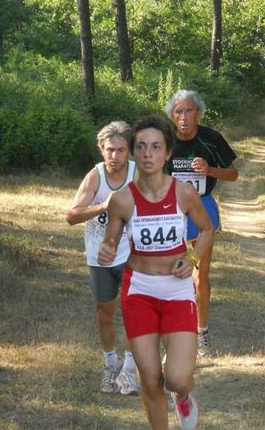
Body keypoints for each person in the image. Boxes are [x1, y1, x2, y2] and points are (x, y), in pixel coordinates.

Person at [98, 115, 214, 430]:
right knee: (149, 379)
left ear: (168, 152)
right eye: (142, 147)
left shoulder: (184, 193)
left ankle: (184, 396)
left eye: (156, 147)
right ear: (134, 153)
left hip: (177, 291)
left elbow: (206, 230)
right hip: (140, 293)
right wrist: (107, 250)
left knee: (176, 378)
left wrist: (191, 258)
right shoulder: (121, 200)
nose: (148, 154)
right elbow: (110, 241)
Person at [66, 121, 139, 395]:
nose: (115, 156)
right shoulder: (95, 177)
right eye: (110, 150)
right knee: (104, 313)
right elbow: (71, 216)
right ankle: (110, 365)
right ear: (101, 150)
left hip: (133, 253)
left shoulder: (139, 173)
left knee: (134, 312)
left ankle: (130, 371)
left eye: (121, 150)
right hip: (100, 255)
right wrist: (103, 206)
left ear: (129, 151)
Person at [164, 90, 238, 356]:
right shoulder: (164, 139)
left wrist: (209, 170)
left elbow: (233, 174)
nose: (184, 117)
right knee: (170, 274)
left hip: (202, 207)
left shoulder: (211, 139)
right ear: (172, 115)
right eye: (179, 112)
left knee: (200, 274)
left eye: (189, 111)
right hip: (170, 211)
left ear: (198, 114)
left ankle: (201, 331)